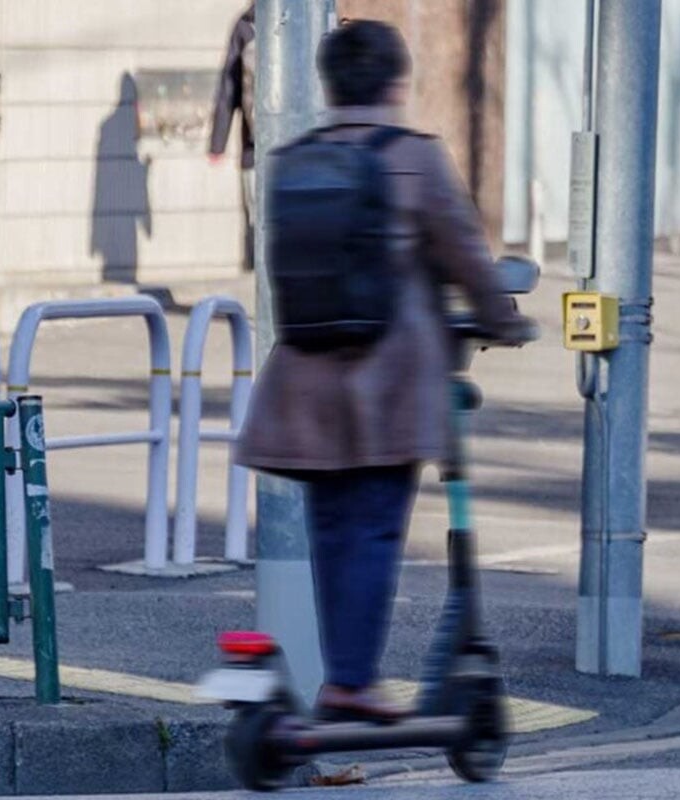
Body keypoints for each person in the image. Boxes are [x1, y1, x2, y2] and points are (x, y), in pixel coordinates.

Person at [236, 20, 524, 722]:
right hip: (385, 388)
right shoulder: (414, 158)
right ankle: (351, 682)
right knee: (374, 532)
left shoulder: (291, 160)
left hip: (303, 384)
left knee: (333, 533)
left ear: (329, 85)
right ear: (396, 84)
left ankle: (343, 675)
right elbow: (466, 257)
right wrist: (505, 320)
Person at [209, 3, 256, 270]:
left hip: (253, 149)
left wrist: (217, 144)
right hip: (296, 148)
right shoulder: (304, 19)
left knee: (259, 224)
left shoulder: (245, 24)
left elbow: (229, 88)